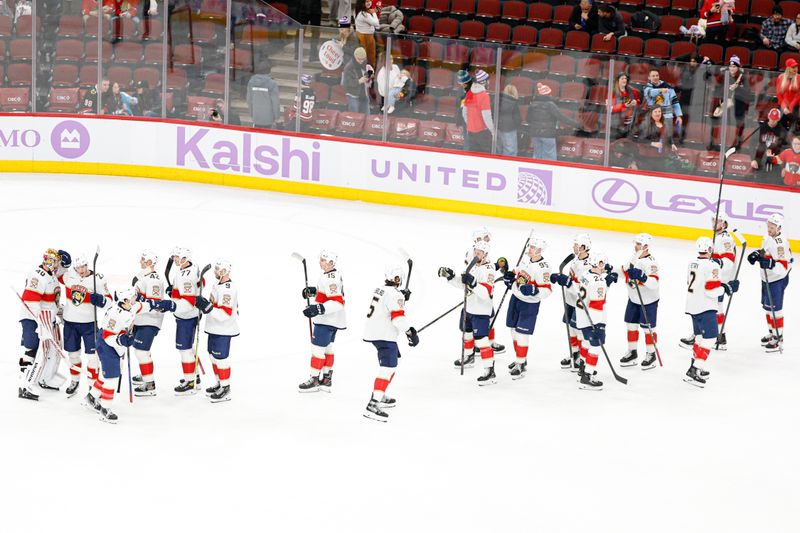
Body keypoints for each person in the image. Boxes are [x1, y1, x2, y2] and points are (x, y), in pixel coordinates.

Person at [83, 288, 169, 423]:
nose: (137, 298)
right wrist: (122, 339)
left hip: (114, 345)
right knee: (112, 378)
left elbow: (142, 306)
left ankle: (91, 397)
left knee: (103, 376)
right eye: (134, 297)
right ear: (126, 301)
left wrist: (158, 305)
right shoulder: (115, 314)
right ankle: (105, 409)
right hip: (106, 345)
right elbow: (108, 336)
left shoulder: (130, 306)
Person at [362, 265, 418, 422]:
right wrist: (410, 332)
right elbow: (398, 319)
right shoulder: (395, 294)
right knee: (388, 368)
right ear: (398, 279)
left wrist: (401, 298)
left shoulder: (380, 289)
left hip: (374, 332)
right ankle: (373, 404)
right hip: (384, 335)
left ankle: (380, 393)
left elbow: (386, 304)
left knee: (390, 365)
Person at [439, 240, 498, 385]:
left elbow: (485, 293)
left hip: (481, 311)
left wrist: (473, 283)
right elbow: (463, 284)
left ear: (486, 254)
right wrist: (451, 277)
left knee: (482, 341)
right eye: (475, 251)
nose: (476, 254)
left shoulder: (489, 269)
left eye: (480, 252)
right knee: (466, 334)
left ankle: (489, 371)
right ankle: (469, 356)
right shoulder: (471, 265)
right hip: (469, 308)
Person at [683, 237, 738, 388]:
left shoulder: (691, 263)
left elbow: (691, 282)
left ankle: (695, 365)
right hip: (706, 307)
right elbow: (712, 290)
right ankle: (695, 369)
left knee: (699, 338)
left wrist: (723, 286)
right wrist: (726, 288)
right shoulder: (713, 266)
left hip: (692, 305)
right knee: (710, 338)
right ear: (710, 250)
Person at [17, 248, 71, 400]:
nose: (55, 264)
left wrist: (61, 313)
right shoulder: (38, 275)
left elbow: (51, 302)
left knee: (52, 350)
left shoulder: (52, 276)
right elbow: (30, 301)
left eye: (57, 261)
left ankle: (45, 377)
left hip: (47, 318)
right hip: (33, 318)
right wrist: (41, 324)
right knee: (34, 350)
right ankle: (25, 384)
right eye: (52, 261)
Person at [502, 238, 552, 379]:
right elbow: (517, 273)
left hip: (529, 304)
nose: (529, 249)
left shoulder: (544, 268)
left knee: (522, 334)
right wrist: (509, 276)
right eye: (530, 246)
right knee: (513, 331)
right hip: (515, 299)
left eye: (533, 247)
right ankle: (521, 359)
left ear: (539, 250)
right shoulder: (526, 260)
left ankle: (520, 364)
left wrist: (534, 290)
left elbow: (547, 290)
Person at [298, 250, 347, 393]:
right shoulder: (331, 275)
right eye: (320, 259)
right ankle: (326, 379)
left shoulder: (330, 278)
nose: (320, 262)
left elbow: (338, 302)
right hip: (333, 320)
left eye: (323, 260)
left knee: (317, 350)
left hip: (327, 320)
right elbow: (328, 294)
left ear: (331, 263)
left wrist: (318, 308)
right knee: (328, 349)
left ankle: (314, 380)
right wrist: (314, 291)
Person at [62, 254, 110, 397]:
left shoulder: (98, 279)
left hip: (89, 324)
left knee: (93, 357)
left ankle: (92, 387)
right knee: (73, 355)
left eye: (83, 266)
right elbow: (55, 271)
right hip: (70, 322)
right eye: (78, 267)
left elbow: (109, 301)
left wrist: (100, 300)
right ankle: (75, 381)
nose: (81, 270)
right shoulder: (69, 275)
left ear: (87, 265)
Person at [747, 214, 792, 352]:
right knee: (768, 307)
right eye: (768, 226)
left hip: (777, 280)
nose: (769, 229)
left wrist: (770, 263)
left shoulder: (780, 244)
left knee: (776, 309)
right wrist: (757, 254)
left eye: (772, 227)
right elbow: (765, 253)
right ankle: (773, 332)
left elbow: (783, 266)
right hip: (767, 278)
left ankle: (778, 338)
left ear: (779, 227)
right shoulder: (767, 238)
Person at [195, 259, 239, 402]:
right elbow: (212, 304)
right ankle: (220, 383)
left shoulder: (229, 288)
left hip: (224, 329)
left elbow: (225, 314)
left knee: (221, 359)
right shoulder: (216, 284)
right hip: (213, 327)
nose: (215, 272)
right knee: (213, 356)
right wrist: (204, 307)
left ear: (225, 271)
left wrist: (207, 307)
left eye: (218, 270)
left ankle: (226, 389)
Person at [574, 251, 617, 390]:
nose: (604, 266)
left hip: (581, 316)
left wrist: (607, 282)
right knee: (596, 346)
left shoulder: (585, 275)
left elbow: (595, 291)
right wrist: (597, 325)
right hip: (592, 318)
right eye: (602, 263)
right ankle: (587, 376)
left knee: (586, 342)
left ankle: (582, 367)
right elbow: (597, 304)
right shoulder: (600, 281)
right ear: (598, 264)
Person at [550, 234, 593, 372]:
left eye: (576, 245)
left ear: (584, 247)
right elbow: (570, 280)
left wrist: (567, 283)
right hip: (570, 300)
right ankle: (574, 354)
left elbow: (582, 289)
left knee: (578, 330)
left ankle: (581, 358)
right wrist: (560, 278)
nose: (573, 247)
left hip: (579, 304)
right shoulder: (575, 259)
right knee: (571, 328)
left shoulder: (588, 267)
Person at [618, 234, 660, 370]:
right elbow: (624, 270)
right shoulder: (634, 258)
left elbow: (654, 283)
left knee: (648, 328)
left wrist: (642, 277)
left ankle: (651, 354)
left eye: (638, 244)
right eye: (635, 243)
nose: (635, 246)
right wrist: (609, 270)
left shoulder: (652, 263)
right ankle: (632, 352)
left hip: (648, 302)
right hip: (633, 299)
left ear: (646, 246)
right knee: (630, 325)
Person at [130, 250, 165, 394]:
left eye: (143, 260)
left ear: (150, 262)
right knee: (142, 351)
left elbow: (155, 304)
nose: (140, 262)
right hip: (140, 319)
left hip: (150, 320)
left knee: (141, 352)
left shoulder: (154, 280)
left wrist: (136, 304)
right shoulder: (143, 277)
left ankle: (149, 384)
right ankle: (146, 375)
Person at [527, 82, 582, 161]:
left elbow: (528, 119)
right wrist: (578, 125)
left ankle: (538, 172)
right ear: (549, 94)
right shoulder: (550, 105)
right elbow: (562, 117)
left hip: (535, 134)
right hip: (547, 134)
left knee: (537, 156)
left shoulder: (532, 104)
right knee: (549, 157)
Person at [643, 68, 683, 141]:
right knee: (649, 136)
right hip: (653, 115)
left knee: (668, 137)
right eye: (653, 76)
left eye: (657, 75)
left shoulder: (668, 87)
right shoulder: (647, 88)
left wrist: (679, 116)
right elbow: (651, 93)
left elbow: (675, 102)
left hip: (666, 114)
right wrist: (660, 90)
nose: (655, 77)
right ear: (649, 77)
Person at [751, 107, 788, 183]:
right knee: (758, 183)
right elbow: (753, 143)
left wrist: (784, 166)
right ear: (768, 116)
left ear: (778, 119)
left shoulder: (782, 132)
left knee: (773, 182)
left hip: (775, 164)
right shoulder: (760, 128)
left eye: (775, 119)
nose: (772, 121)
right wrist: (753, 159)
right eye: (771, 118)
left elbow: (786, 148)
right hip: (760, 161)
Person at [462, 69, 494, 154]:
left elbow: (464, 113)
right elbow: (486, 116)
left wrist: (470, 124)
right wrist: (492, 130)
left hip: (471, 132)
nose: (489, 82)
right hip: (482, 132)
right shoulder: (484, 96)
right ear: (484, 82)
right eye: (488, 80)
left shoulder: (469, 93)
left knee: (473, 156)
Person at [636, 107, 676, 171]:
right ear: (651, 114)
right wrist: (652, 143)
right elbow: (639, 139)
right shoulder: (646, 124)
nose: (658, 113)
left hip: (660, 158)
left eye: (659, 111)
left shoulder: (664, 124)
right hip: (646, 158)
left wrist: (672, 144)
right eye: (655, 112)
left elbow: (668, 136)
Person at [610, 72, 640, 139]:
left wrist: (636, 102)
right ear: (618, 80)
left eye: (625, 78)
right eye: (622, 78)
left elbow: (638, 101)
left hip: (629, 123)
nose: (624, 80)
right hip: (615, 124)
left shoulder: (632, 91)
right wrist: (624, 105)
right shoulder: (612, 92)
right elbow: (610, 108)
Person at [342, 46, 371, 114]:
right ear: (355, 56)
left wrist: (369, 75)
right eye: (359, 59)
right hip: (353, 95)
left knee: (367, 116)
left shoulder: (365, 63)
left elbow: (370, 70)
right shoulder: (349, 67)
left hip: (364, 94)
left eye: (363, 59)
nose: (361, 61)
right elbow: (346, 83)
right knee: (354, 117)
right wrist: (359, 81)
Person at [497, 84, 521, 156]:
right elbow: (517, 119)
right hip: (509, 129)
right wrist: (517, 126)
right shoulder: (514, 103)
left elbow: (493, 113)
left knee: (498, 149)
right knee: (511, 151)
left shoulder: (498, 100)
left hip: (498, 127)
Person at [354, 0, 379, 69]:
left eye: (370, 1)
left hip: (362, 37)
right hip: (367, 38)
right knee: (370, 60)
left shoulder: (358, 11)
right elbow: (377, 24)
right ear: (362, 3)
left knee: (366, 59)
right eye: (367, 1)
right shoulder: (364, 14)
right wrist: (374, 12)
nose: (369, 3)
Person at [777, 59, 800, 132]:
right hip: (783, 105)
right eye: (793, 67)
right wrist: (784, 108)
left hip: (795, 106)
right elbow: (779, 94)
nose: (795, 69)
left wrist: (791, 108)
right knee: (781, 127)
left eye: (796, 67)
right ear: (788, 68)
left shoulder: (799, 78)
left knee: (793, 128)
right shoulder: (781, 77)